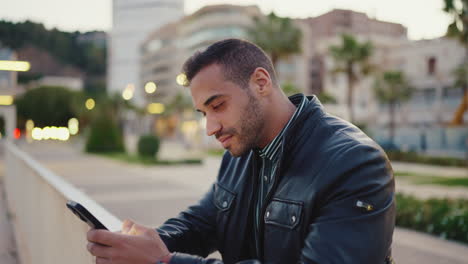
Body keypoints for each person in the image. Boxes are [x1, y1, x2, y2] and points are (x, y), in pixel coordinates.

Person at [86, 38, 395, 264]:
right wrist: (145, 243)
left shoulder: (354, 163)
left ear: (260, 82)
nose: (210, 127)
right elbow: (203, 223)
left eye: (217, 106)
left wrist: (165, 262)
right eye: (203, 113)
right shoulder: (241, 151)